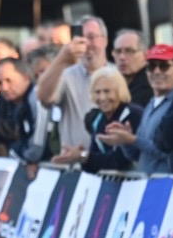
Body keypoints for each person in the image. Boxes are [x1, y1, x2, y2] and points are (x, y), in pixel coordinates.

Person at [101, 44, 173, 175]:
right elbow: (137, 156)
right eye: (151, 66)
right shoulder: (150, 104)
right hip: (147, 186)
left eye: (163, 66)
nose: (156, 72)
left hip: (168, 186)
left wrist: (132, 140)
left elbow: (172, 154)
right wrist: (125, 141)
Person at [36, 15, 110, 150]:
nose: (86, 44)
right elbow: (44, 98)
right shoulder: (66, 74)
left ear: (105, 40)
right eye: (81, 38)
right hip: (74, 165)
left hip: (111, 165)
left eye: (92, 37)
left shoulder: (116, 74)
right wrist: (62, 58)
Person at [52, 65, 141, 173]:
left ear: (119, 90)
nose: (102, 98)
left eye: (107, 91)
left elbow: (121, 160)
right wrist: (81, 157)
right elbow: (93, 162)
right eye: (97, 92)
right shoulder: (98, 120)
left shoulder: (133, 114)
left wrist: (84, 156)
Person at [112, 29, 152, 106]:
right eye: (118, 51)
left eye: (129, 51)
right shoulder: (111, 83)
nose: (122, 57)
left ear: (145, 55)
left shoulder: (152, 85)